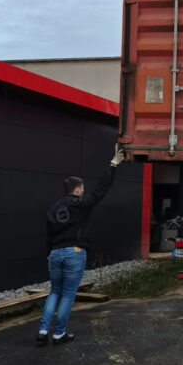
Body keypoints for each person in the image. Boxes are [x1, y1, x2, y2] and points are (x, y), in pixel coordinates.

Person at [37, 147, 125, 346]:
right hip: (74, 252)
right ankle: (59, 334)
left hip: (54, 254)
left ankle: (43, 331)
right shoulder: (80, 204)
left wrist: (49, 253)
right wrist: (114, 164)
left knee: (54, 291)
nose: (84, 191)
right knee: (68, 294)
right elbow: (100, 190)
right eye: (82, 189)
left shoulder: (53, 208)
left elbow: (48, 234)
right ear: (77, 190)